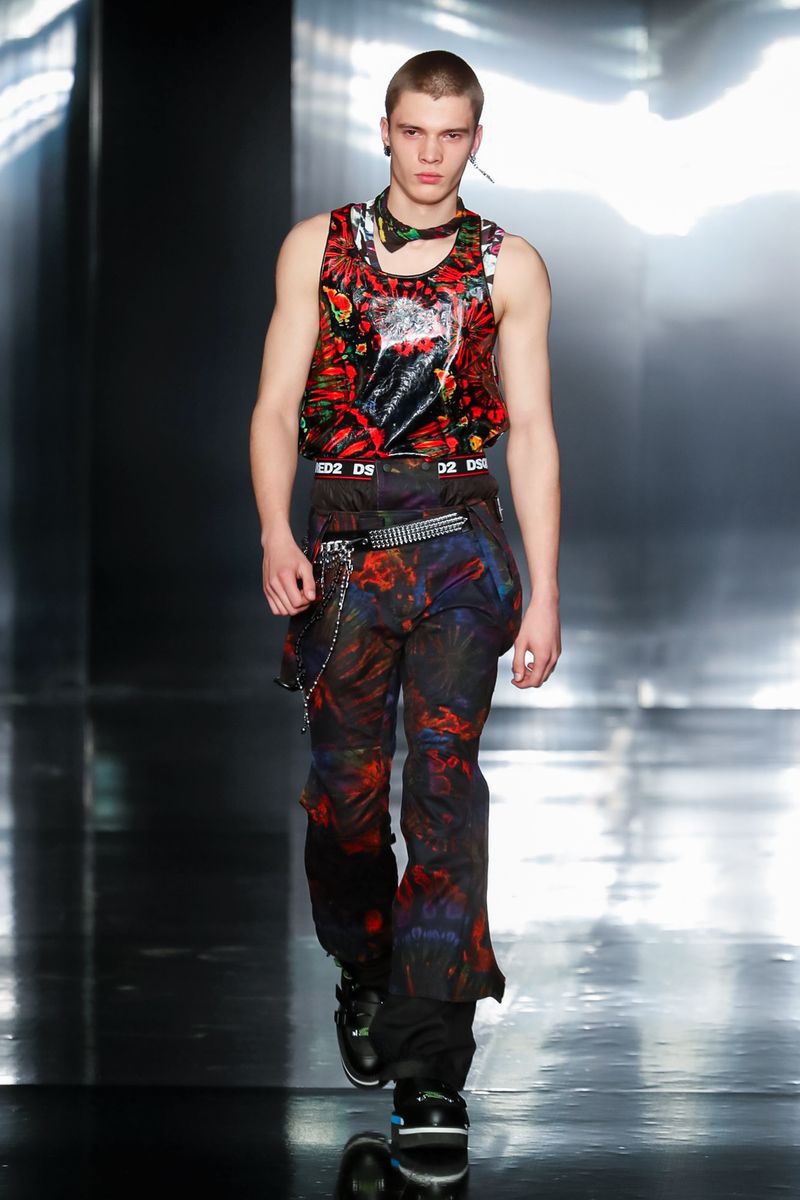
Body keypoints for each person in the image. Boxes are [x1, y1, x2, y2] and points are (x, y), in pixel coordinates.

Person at [249, 49, 561, 1160]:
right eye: (414, 131)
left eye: (452, 133)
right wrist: (276, 529)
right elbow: (275, 404)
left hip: (461, 545)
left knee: (442, 786)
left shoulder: (508, 266)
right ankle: (365, 966)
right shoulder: (317, 248)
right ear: (384, 130)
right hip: (340, 544)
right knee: (345, 802)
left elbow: (532, 432)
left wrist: (545, 592)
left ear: (476, 139)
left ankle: (431, 1071)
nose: (431, 154)